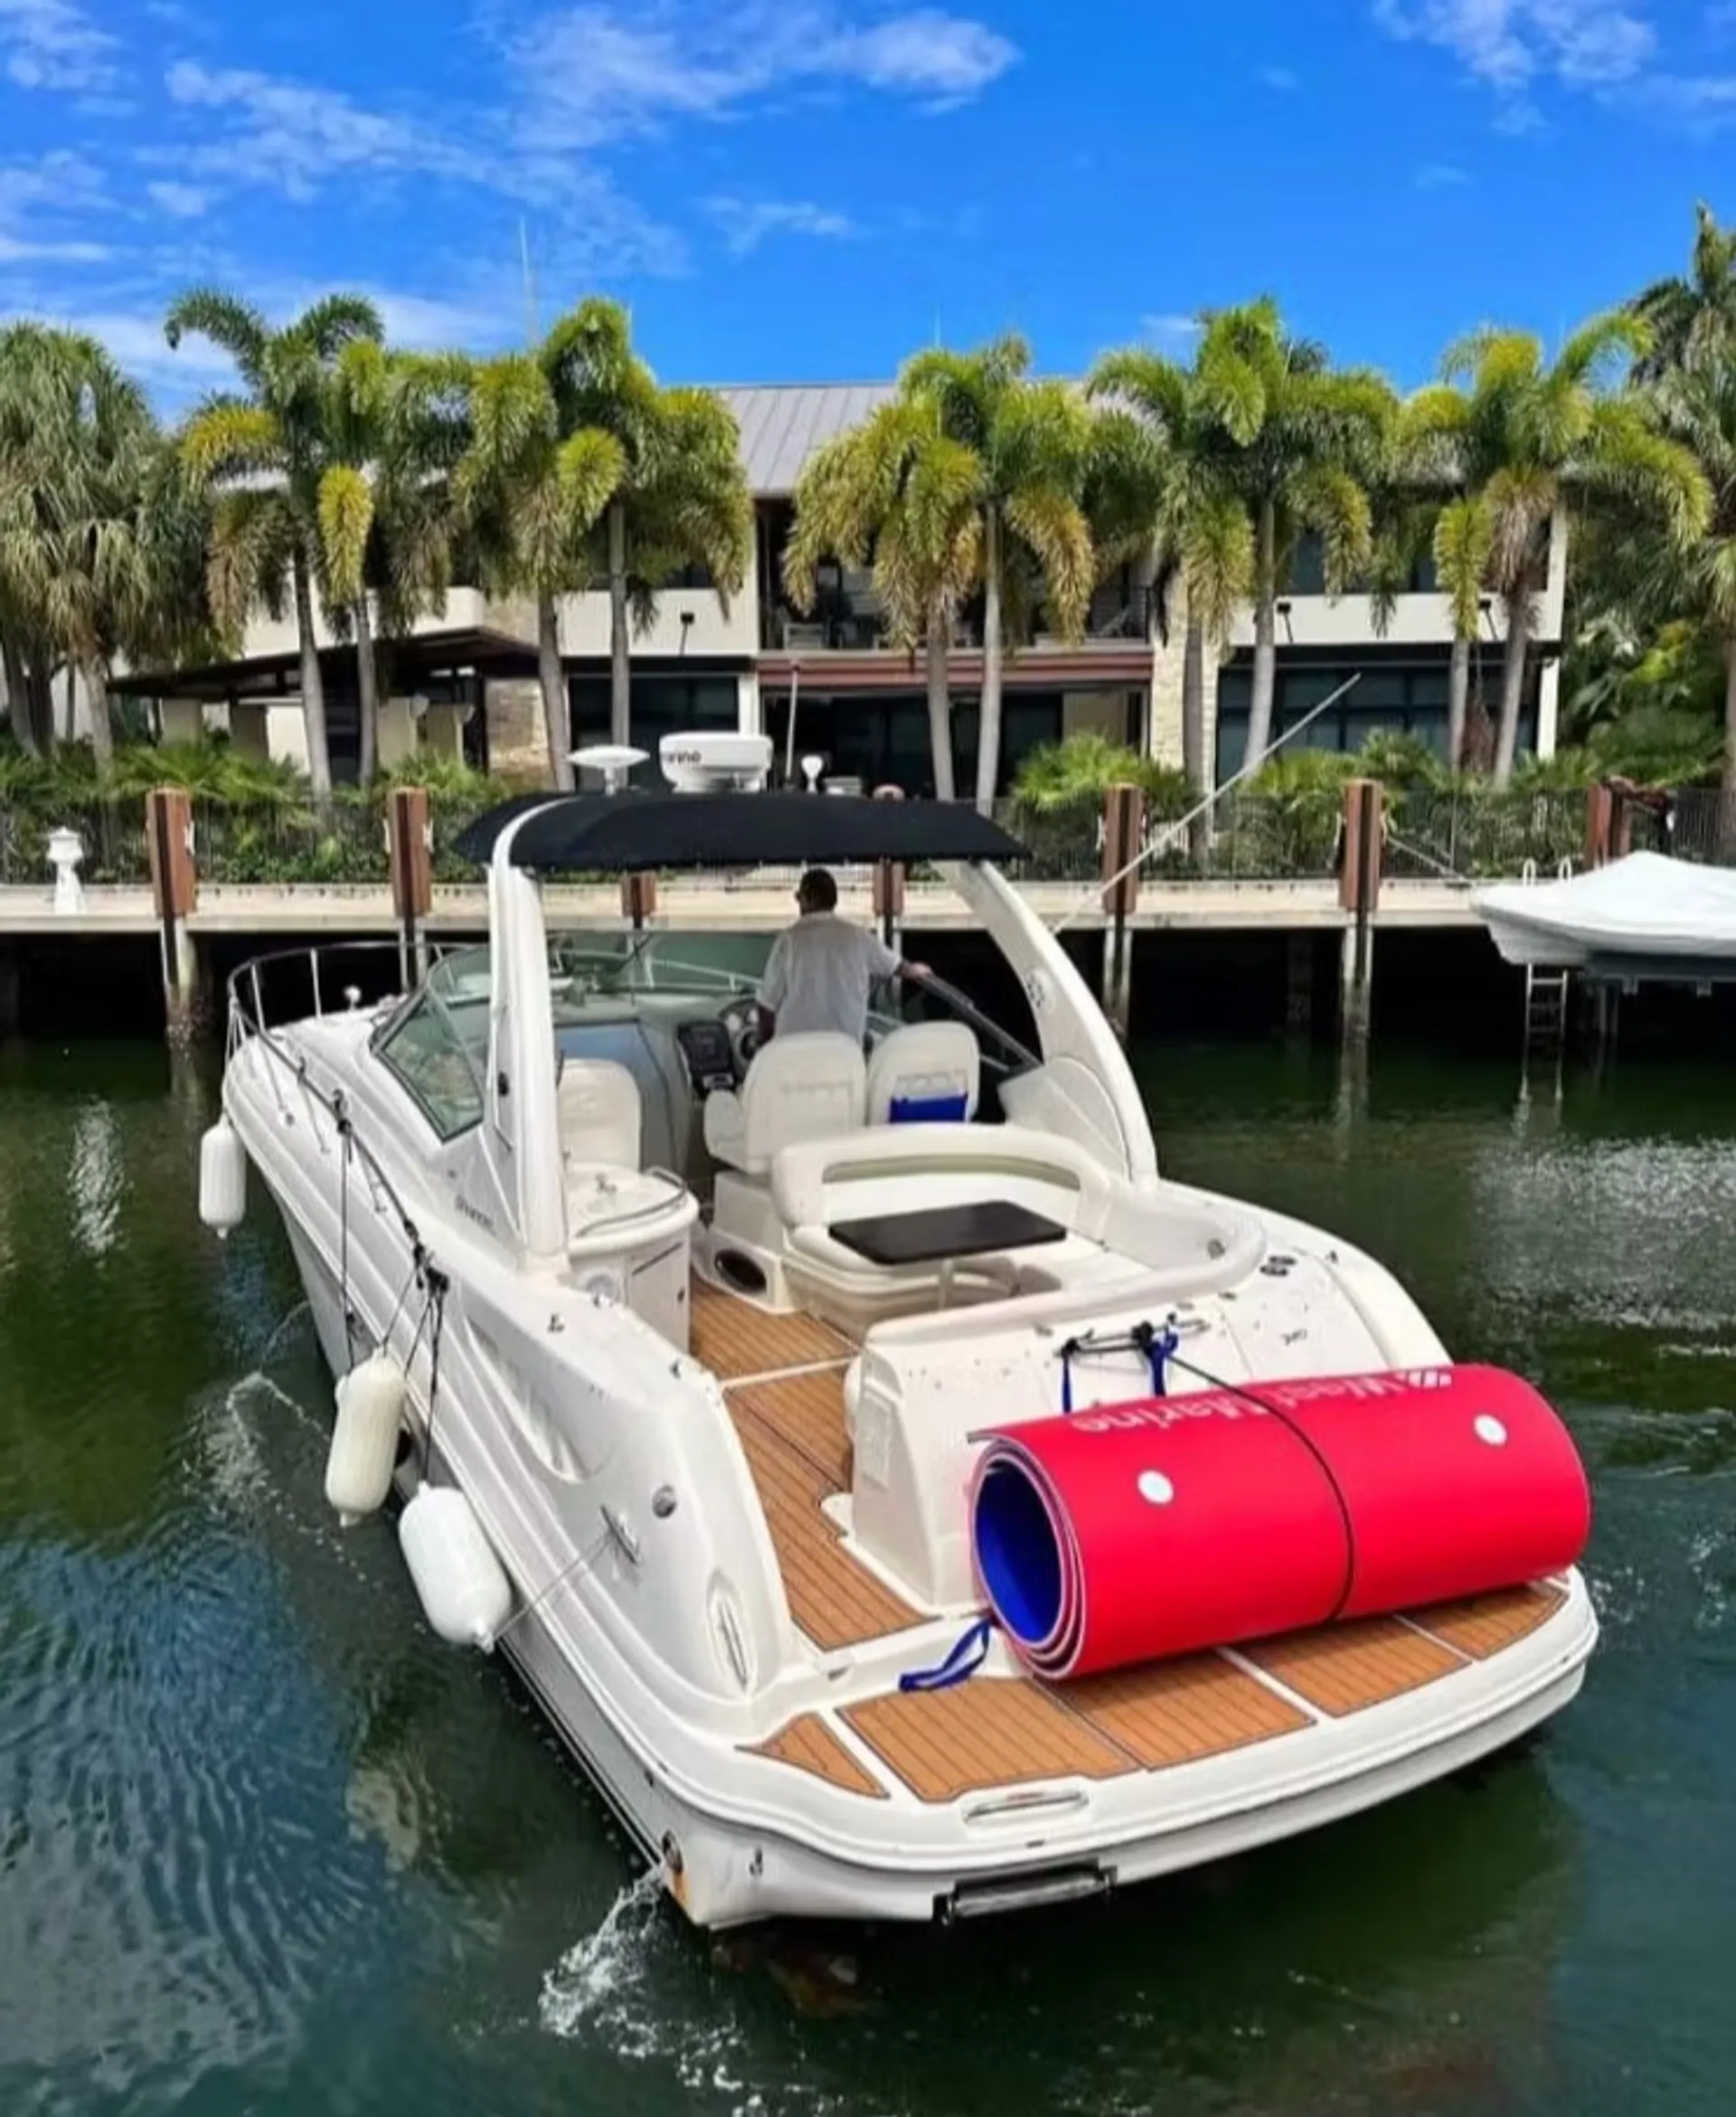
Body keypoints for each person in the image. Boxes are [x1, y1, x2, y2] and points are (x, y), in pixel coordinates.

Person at [757, 868, 929, 1045]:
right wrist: (917, 971)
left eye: (800, 898)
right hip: (846, 1051)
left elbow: (767, 1005)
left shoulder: (788, 941)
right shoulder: (858, 937)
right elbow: (897, 967)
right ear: (834, 901)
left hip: (795, 1051)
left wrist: (764, 1043)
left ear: (807, 900)